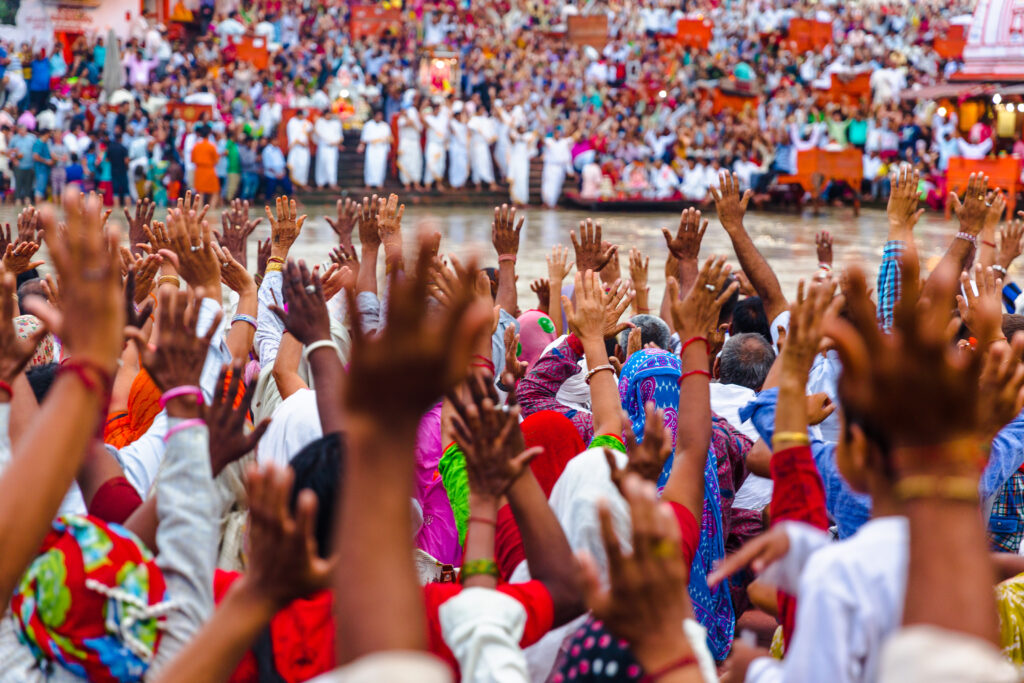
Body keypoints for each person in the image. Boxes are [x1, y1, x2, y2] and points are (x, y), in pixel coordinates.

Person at [358, 109, 392, 189]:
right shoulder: (368, 125)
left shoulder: (385, 126)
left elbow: (389, 138)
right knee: (370, 165)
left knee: (381, 165)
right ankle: (368, 183)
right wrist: (361, 146)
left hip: (382, 148)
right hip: (372, 148)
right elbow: (364, 138)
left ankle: (379, 183)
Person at [541, 128, 573, 208]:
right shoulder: (549, 141)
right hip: (549, 167)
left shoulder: (564, 142)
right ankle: (546, 202)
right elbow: (542, 140)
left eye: (558, 133)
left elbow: (567, 157)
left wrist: (569, 170)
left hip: (559, 168)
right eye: (555, 133)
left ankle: (553, 203)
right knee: (547, 185)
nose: (557, 135)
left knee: (557, 186)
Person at [507, 123, 536, 206]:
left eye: (524, 128)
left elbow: (532, 139)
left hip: (523, 162)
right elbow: (511, 138)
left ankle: (523, 201)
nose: (523, 129)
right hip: (515, 162)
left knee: (523, 180)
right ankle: (514, 201)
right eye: (521, 128)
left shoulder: (527, 136)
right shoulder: (514, 136)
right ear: (518, 129)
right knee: (515, 181)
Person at [397, 104, 424, 191]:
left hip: (415, 143)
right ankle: (406, 184)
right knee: (405, 162)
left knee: (416, 163)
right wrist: (407, 117)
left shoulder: (417, 122)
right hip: (405, 143)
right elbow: (408, 123)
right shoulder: (401, 120)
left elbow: (420, 130)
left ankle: (416, 183)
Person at [313, 109, 342, 190]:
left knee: (332, 165)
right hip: (323, 147)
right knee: (321, 164)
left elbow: (340, 136)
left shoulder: (336, 123)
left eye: (330, 114)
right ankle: (320, 183)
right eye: (328, 114)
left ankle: (332, 183)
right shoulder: (320, 122)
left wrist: (337, 142)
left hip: (333, 148)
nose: (329, 116)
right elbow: (316, 132)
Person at [285, 110, 312, 190]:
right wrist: (299, 142)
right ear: (298, 115)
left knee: (304, 166)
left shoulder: (306, 122)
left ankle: (303, 183)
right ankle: (294, 184)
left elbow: (311, 130)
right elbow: (292, 135)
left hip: (304, 149)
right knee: (295, 166)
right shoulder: (292, 122)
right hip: (295, 148)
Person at [448, 104, 470, 189]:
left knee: (463, 165)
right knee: (455, 165)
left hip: (463, 148)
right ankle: (454, 183)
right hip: (455, 148)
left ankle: (461, 183)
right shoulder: (453, 123)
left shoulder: (464, 124)